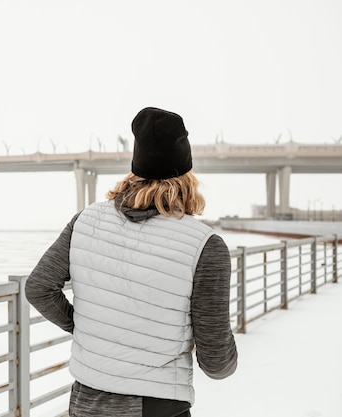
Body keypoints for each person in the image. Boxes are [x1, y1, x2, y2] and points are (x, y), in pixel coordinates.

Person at [25, 107, 238, 417]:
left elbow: (38, 288)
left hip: (85, 402)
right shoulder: (205, 246)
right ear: (187, 173)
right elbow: (217, 362)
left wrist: (85, 326)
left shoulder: (85, 221)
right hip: (158, 407)